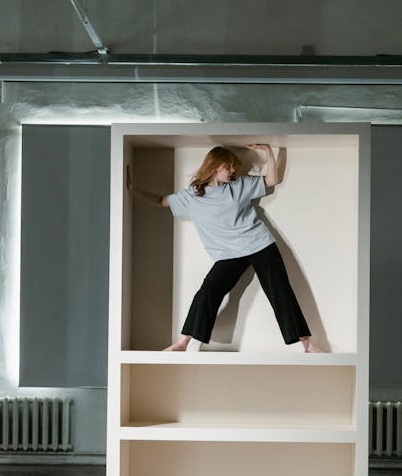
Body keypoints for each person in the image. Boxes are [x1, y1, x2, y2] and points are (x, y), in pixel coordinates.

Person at [126, 144, 322, 352]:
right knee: (207, 292)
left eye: (234, 167)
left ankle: (307, 344)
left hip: (259, 244)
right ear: (214, 167)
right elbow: (161, 200)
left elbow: (272, 180)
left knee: (280, 291)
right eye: (228, 167)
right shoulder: (192, 196)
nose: (233, 171)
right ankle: (184, 342)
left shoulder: (238, 186)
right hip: (228, 255)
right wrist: (132, 189)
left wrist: (268, 151)